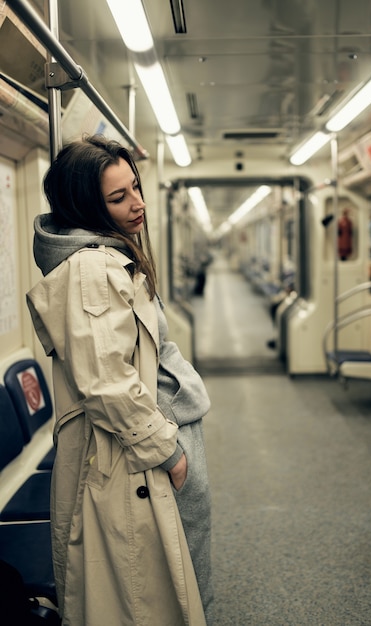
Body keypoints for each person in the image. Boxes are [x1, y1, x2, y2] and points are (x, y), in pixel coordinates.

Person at [26, 135, 213, 626]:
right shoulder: (92, 269)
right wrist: (168, 451)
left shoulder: (109, 256)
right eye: (118, 198)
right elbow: (106, 382)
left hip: (148, 436)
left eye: (135, 188)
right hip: (135, 452)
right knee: (145, 594)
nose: (138, 204)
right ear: (89, 205)